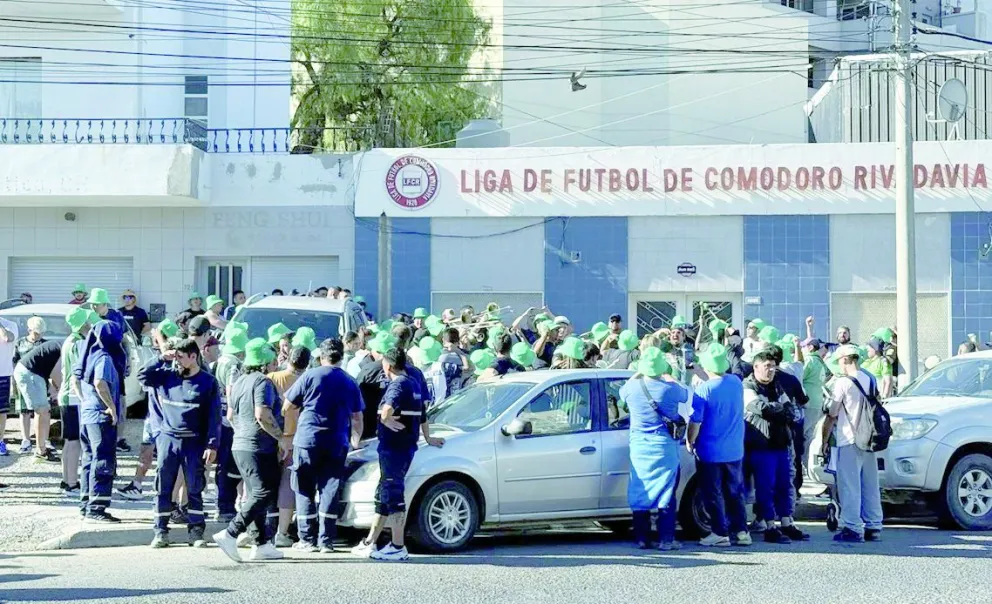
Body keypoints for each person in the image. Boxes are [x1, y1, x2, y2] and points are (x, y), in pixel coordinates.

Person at [352, 347, 443, 561]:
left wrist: (386, 419)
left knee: (393, 494)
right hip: (405, 446)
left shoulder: (397, 385)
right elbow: (423, 415)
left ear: (389, 366)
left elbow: (386, 410)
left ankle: (397, 545)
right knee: (383, 494)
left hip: (393, 448)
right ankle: (370, 541)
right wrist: (428, 438)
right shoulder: (414, 383)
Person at [283, 339, 364, 553]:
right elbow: (357, 417)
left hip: (308, 439)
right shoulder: (349, 381)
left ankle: (306, 539)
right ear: (341, 357)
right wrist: (355, 440)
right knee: (330, 489)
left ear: (321, 356)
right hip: (337, 440)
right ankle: (326, 540)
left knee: (303, 487)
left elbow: (288, 405)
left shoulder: (310, 375)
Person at [139, 339, 222, 548]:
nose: (177, 361)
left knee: (195, 487)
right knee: (163, 487)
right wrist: (160, 358)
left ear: (193, 357)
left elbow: (214, 417)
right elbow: (142, 376)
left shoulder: (208, 382)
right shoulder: (167, 376)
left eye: (181, 357)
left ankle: (195, 532)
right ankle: (160, 531)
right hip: (168, 440)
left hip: (194, 441)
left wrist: (212, 445)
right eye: (175, 356)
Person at [212, 338, 286, 563]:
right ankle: (231, 532)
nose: (275, 364)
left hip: (240, 444)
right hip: (259, 446)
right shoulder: (263, 382)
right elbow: (262, 413)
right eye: (272, 360)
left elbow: (231, 416)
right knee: (264, 492)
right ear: (265, 362)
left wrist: (242, 433)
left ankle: (261, 543)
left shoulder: (240, 381)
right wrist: (281, 438)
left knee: (255, 493)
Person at [618, 348, 686, 551]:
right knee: (667, 491)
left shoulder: (631, 388)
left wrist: (639, 373)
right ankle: (666, 539)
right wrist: (669, 376)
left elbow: (622, 395)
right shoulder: (670, 389)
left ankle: (642, 538)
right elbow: (684, 393)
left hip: (639, 445)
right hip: (664, 446)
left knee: (640, 488)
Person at [743, 347, 808, 543]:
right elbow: (759, 408)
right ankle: (769, 526)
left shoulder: (777, 386)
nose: (771, 370)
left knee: (784, 485)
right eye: (767, 366)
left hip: (780, 444)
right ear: (755, 367)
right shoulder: (748, 387)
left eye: (773, 367)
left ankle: (787, 523)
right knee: (765, 487)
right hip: (761, 446)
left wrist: (777, 409)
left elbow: (791, 409)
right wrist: (778, 409)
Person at [688, 343, 750, 547]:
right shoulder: (735, 382)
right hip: (734, 450)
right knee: (735, 492)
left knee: (713, 493)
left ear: (705, 366)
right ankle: (741, 532)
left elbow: (695, 423)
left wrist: (690, 441)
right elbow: (720, 383)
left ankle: (719, 532)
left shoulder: (702, 390)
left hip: (710, 452)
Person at [822, 345, 884, 543]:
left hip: (849, 438)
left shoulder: (843, 382)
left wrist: (824, 440)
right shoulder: (870, 378)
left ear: (846, 359)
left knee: (850, 484)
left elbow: (832, 413)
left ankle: (853, 527)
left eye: (839, 360)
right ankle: (874, 525)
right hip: (870, 437)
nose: (839, 364)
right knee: (870, 484)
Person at [74, 320, 125, 522]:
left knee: (88, 460)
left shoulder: (87, 354)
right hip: (100, 416)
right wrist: (111, 407)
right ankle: (97, 507)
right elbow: (100, 382)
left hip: (87, 415)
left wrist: (84, 400)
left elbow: (74, 379)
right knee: (102, 459)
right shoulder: (104, 357)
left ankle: (86, 503)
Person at [266, 345, 312, 547]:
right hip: (294, 440)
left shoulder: (271, 378)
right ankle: (282, 532)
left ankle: (260, 528)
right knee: (288, 487)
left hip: (270, 437)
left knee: (264, 484)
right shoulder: (307, 381)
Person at [212, 328, 248, 523]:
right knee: (229, 465)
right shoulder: (233, 364)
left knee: (222, 465)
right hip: (229, 421)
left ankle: (222, 504)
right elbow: (231, 390)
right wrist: (235, 418)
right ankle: (225, 506)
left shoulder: (221, 360)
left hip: (219, 417)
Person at [58, 308, 95, 495]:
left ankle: (66, 480)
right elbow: (77, 373)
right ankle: (72, 483)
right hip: (73, 397)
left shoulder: (69, 340)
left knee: (69, 441)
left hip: (66, 396)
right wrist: (84, 398)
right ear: (83, 324)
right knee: (74, 442)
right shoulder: (78, 343)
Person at [13, 335, 63, 463]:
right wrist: (61, 391)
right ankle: (41, 451)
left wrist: (54, 389)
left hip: (35, 372)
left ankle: (43, 447)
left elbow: (50, 373)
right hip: (29, 373)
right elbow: (56, 374)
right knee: (41, 411)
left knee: (44, 411)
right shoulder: (61, 350)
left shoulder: (58, 346)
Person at [12, 316, 47, 454]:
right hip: (23, 382)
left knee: (42, 411)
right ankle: (26, 440)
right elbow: (14, 362)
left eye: (41, 332)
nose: (38, 335)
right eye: (36, 332)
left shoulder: (44, 344)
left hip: (41, 382)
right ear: (29, 330)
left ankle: (43, 439)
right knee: (24, 411)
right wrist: (13, 382)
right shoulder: (20, 344)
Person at [0, 314, 18, 458]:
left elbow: (7, 338)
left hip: (2, 374)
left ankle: (0, 441)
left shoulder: (10, 325)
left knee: (1, 412)